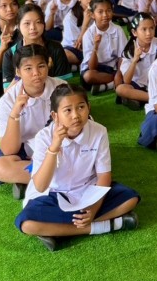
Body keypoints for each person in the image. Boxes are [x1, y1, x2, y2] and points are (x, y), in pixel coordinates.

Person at [15, 84, 140, 252]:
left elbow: (104, 176)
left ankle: (59, 231)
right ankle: (105, 226)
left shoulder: (99, 131)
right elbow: (40, 185)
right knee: (27, 224)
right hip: (54, 194)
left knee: (130, 199)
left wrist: (93, 209)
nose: (76, 115)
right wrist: (54, 147)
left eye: (81, 107)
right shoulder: (44, 137)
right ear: (55, 115)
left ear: (88, 107)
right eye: (67, 110)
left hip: (89, 191)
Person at [0, 45, 66, 197]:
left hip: (60, 144)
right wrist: (15, 114)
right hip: (27, 149)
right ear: (18, 72)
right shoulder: (8, 100)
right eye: (28, 68)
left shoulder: (61, 88)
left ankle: (33, 181)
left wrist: (55, 148)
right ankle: (58, 179)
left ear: (48, 65)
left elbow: (77, 127)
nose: (36, 73)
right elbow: (9, 150)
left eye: (41, 66)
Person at [1, 4, 72, 87]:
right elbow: (7, 92)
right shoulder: (10, 54)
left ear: (43, 24)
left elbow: (64, 86)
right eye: (27, 23)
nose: (32, 27)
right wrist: (18, 76)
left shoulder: (55, 48)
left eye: (38, 22)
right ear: (18, 26)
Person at [80, 0, 127, 94]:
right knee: (88, 76)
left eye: (108, 11)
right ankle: (114, 82)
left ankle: (106, 86)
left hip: (113, 68)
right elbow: (92, 67)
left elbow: (122, 56)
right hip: (95, 69)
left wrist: (119, 72)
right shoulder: (88, 34)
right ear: (92, 15)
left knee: (129, 68)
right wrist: (95, 47)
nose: (105, 15)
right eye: (100, 12)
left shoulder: (118, 30)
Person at [116, 13, 157, 110]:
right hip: (138, 85)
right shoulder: (128, 50)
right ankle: (152, 98)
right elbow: (126, 80)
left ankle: (137, 99)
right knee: (120, 89)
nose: (148, 33)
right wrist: (134, 60)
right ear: (134, 32)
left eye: (151, 28)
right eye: (144, 29)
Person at [61, 0, 99, 66]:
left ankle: (75, 65)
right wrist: (85, 23)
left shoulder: (99, 12)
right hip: (74, 49)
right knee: (64, 55)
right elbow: (77, 46)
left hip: (96, 47)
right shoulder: (70, 17)